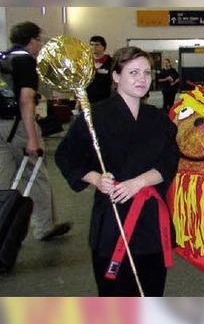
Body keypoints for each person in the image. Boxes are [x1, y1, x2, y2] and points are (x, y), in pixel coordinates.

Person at [55, 46, 179, 296]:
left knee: (152, 291)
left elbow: (170, 159)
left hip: (151, 221)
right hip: (113, 220)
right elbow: (67, 156)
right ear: (116, 76)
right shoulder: (95, 117)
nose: (142, 79)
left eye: (146, 73)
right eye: (133, 72)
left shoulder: (157, 118)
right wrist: (96, 179)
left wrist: (139, 182)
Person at [0, 21, 71, 243]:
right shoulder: (26, 62)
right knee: (36, 174)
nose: (39, 44)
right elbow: (26, 99)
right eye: (39, 40)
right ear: (32, 40)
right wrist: (32, 138)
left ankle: (3, 227)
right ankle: (44, 226)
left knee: (3, 180)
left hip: (0, 125)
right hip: (19, 126)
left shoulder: (4, 58)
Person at [85, 35, 114, 104]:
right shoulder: (86, 62)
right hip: (88, 100)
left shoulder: (111, 62)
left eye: (97, 45)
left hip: (106, 100)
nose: (93, 47)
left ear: (103, 47)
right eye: (91, 45)